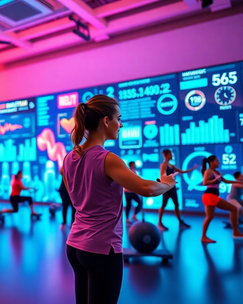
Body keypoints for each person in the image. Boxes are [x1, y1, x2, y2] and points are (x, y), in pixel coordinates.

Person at [61, 95, 177, 304]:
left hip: (75, 246)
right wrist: (168, 183)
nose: (121, 125)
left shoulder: (69, 158)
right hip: (102, 249)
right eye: (119, 119)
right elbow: (146, 189)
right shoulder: (107, 158)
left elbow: (74, 196)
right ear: (106, 121)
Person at [201, 155, 243, 243]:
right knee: (209, 217)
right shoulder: (209, 172)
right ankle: (203, 237)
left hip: (214, 196)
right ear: (211, 162)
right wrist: (215, 180)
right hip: (209, 196)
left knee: (234, 209)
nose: (219, 163)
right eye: (217, 161)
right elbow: (205, 183)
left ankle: (235, 232)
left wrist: (239, 182)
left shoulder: (217, 172)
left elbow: (226, 181)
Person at [157, 149, 197, 230]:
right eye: (171, 154)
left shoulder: (171, 165)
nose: (172, 155)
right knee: (164, 205)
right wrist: (166, 180)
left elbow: (181, 171)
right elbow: (163, 175)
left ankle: (180, 222)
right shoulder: (163, 165)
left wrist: (192, 169)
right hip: (166, 188)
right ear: (167, 155)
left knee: (176, 204)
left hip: (172, 188)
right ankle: (159, 223)